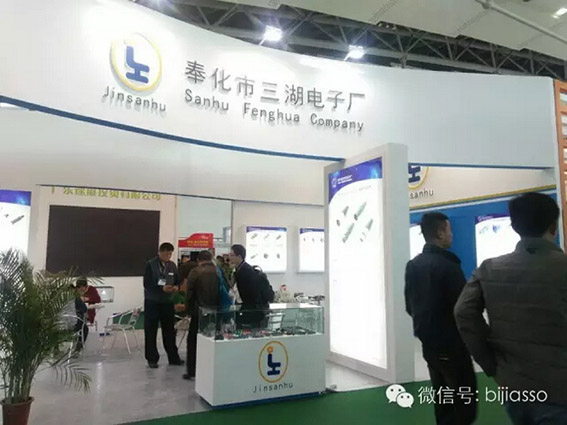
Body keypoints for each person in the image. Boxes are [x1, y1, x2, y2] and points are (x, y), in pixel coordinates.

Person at [455, 193, 567, 425]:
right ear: (553, 226)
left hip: (514, 386)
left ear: (515, 226)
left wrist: (491, 364)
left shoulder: (489, 269)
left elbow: (463, 312)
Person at [405, 212, 477, 425]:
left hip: (429, 345)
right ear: (440, 233)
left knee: (443, 398)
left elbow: (410, 306)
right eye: (449, 230)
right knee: (464, 403)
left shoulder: (414, 265)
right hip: (452, 345)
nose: (451, 235)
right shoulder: (449, 266)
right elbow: (463, 309)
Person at [143, 242, 184, 369]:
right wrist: (161, 288)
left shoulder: (172, 266)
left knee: (169, 331)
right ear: (160, 252)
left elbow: (178, 280)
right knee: (151, 331)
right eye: (166, 254)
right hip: (152, 302)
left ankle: (173, 357)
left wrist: (176, 287)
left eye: (170, 254)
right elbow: (147, 284)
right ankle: (152, 359)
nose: (168, 256)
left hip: (167, 302)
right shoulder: (150, 265)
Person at [184, 250, 221, 380]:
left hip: (198, 312)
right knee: (212, 340)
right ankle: (211, 369)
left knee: (193, 341)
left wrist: (188, 311)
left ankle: (192, 371)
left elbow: (189, 294)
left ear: (198, 260)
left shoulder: (195, 272)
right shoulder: (218, 271)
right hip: (216, 312)